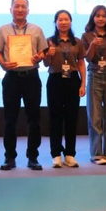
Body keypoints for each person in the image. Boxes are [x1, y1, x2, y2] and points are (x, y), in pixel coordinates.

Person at [0, 0, 47, 171]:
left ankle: (33, 157)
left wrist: (39, 56)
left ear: (28, 10)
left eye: (23, 6)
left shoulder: (36, 29)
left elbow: (43, 52)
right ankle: (10, 157)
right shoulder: (2, 30)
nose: (20, 9)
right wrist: (3, 63)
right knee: (10, 119)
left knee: (34, 119)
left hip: (31, 77)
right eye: (16, 6)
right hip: (12, 78)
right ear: (11, 9)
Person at [43, 10, 86, 168]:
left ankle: (70, 154)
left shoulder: (77, 42)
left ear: (70, 21)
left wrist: (83, 83)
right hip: (55, 79)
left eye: (66, 19)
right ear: (55, 22)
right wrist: (48, 54)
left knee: (71, 118)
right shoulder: (49, 41)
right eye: (60, 20)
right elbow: (45, 64)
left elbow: (81, 63)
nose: (63, 22)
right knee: (55, 118)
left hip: (73, 80)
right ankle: (56, 154)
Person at [81, 5, 106, 165]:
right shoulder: (86, 36)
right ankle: (97, 154)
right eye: (97, 16)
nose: (100, 18)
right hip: (95, 76)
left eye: (103, 16)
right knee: (95, 117)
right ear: (93, 18)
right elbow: (87, 58)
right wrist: (92, 45)